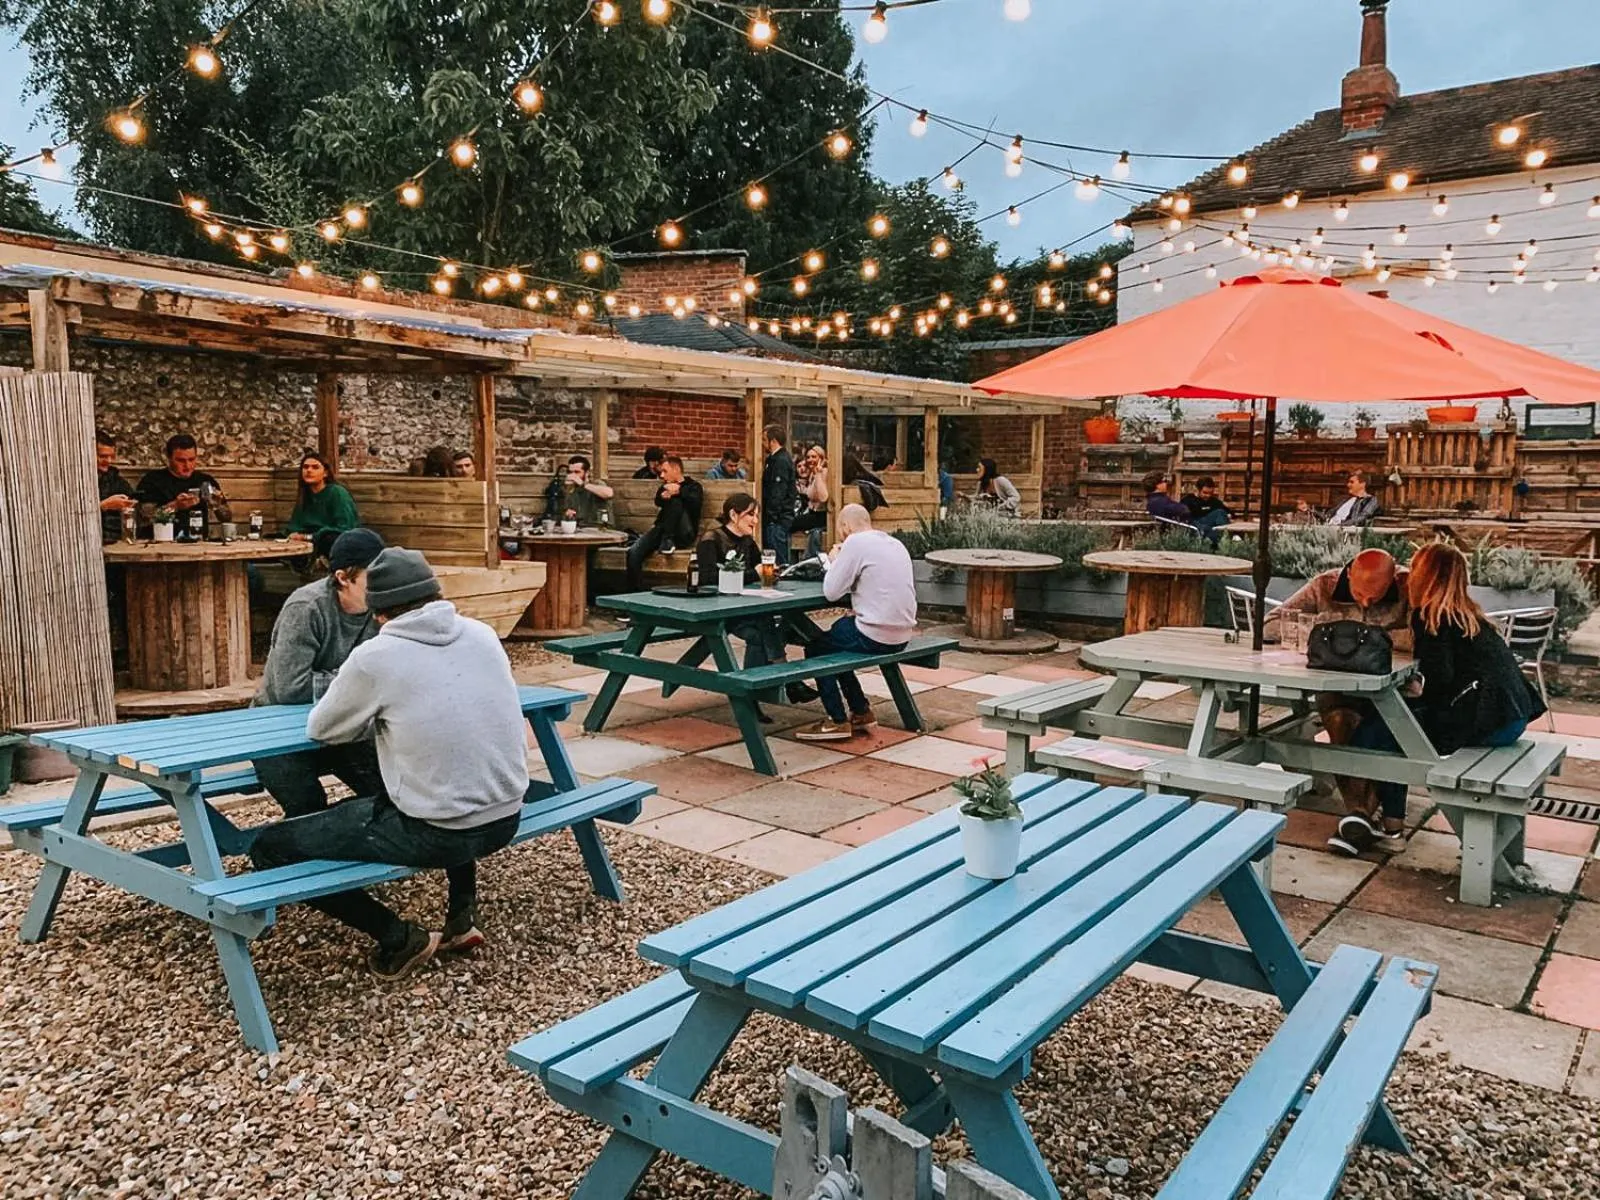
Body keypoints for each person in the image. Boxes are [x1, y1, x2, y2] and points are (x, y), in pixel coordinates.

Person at [249, 547, 531, 979]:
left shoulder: (377, 656)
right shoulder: (482, 635)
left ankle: (397, 936)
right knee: (447, 781)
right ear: (436, 594)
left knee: (270, 848)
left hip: (437, 834)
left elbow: (323, 729)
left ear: (379, 613)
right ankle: (461, 915)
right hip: (506, 817)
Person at [1331, 544, 1546, 856]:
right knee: (1394, 727)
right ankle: (1374, 822)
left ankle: (1381, 824)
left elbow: (1439, 681)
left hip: (1485, 720)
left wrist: (1414, 689)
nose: (1409, 576)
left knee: (1384, 730)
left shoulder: (1431, 616)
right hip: (1511, 717)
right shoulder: (1469, 613)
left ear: (1426, 576)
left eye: (1415, 568)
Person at [1266, 548, 1414, 856]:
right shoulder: (1325, 585)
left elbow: (1426, 634)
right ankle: (1360, 814)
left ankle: (1358, 817)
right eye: (1359, 594)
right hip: (1336, 687)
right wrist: (1324, 627)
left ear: (1392, 580)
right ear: (1349, 575)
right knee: (1341, 720)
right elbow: (1271, 623)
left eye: (1375, 597)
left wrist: (1368, 636)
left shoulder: (1408, 587)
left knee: (1385, 728)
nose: (1366, 603)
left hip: (1392, 687)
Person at [251, 528, 388, 817]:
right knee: (307, 805)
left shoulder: (383, 609)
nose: (383, 583)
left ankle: (343, 828)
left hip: (340, 720)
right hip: (275, 727)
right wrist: (356, 681)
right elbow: (290, 689)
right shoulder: (306, 607)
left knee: (390, 792)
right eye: (373, 576)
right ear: (343, 578)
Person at [794, 504, 918, 742]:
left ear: (845, 527)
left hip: (876, 634)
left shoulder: (855, 543)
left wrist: (833, 560)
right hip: (902, 634)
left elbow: (831, 592)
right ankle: (861, 712)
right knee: (837, 643)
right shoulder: (894, 543)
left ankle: (837, 720)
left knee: (816, 648)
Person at [695, 494, 803, 720]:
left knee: (759, 632)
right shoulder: (711, 540)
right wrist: (755, 574)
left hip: (745, 609)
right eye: (750, 515)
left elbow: (757, 570)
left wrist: (772, 574)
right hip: (718, 609)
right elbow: (707, 580)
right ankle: (787, 676)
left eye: (756, 515)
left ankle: (751, 699)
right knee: (768, 623)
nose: (755, 520)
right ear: (733, 515)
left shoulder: (747, 541)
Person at [625, 455, 703, 589]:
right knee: (633, 553)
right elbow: (658, 500)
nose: (661, 475)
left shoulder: (693, 486)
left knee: (676, 501)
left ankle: (668, 539)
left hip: (684, 533)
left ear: (676, 469)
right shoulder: (665, 486)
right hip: (661, 531)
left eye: (665, 471)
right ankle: (634, 592)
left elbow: (695, 501)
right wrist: (663, 496)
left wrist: (679, 491)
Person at [137, 434, 228, 535]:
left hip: (199, 541)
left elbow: (226, 518)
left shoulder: (205, 481)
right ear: (169, 458)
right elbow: (143, 520)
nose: (187, 466)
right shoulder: (153, 480)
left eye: (191, 459)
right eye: (181, 460)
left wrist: (218, 505)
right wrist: (175, 506)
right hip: (162, 539)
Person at [284, 451, 360, 558]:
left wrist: (308, 537)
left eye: (315, 467)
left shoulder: (337, 493)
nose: (309, 470)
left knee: (329, 539)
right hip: (308, 541)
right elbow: (295, 526)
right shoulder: (305, 495)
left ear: (325, 473)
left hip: (335, 541)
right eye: (305, 467)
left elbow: (345, 527)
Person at [761, 425, 799, 565]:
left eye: (764, 440)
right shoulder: (773, 459)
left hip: (778, 520)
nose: (762, 444)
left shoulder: (780, 461)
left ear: (773, 441)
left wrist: (772, 516)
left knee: (778, 560)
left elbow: (778, 491)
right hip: (775, 518)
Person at [545, 454, 615, 526]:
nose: (572, 475)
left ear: (587, 473)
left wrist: (582, 483)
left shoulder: (596, 483)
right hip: (580, 528)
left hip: (600, 528)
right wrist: (568, 514)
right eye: (570, 472)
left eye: (577, 472)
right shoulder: (570, 489)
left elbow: (609, 493)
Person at [96, 428, 137, 543]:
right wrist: (103, 506)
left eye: (111, 456)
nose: (108, 461)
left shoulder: (117, 481)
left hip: (117, 540)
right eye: (103, 456)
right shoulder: (76, 482)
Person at [1298, 471, 1381, 527]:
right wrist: (1308, 509)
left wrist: (1339, 526)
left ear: (1362, 484)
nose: (1348, 485)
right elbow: (1327, 516)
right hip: (1328, 529)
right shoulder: (1345, 500)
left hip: (1346, 532)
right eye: (1348, 482)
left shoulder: (1371, 500)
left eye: (1352, 482)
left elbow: (1360, 518)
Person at [791, 444, 829, 557]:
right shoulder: (812, 474)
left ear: (821, 458)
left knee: (789, 523)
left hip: (821, 515)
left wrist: (818, 475)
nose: (810, 460)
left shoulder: (823, 472)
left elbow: (823, 497)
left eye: (814, 457)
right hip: (812, 513)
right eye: (808, 457)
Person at [1180, 475, 1233, 544]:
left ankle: (1224, 539)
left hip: (1211, 527)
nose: (1208, 495)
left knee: (1220, 512)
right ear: (1198, 490)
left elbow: (1229, 513)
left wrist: (1228, 515)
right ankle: (1224, 540)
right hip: (1195, 525)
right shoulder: (1188, 500)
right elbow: (1184, 519)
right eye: (1205, 493)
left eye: (1211, 493)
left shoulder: (1214, 501)